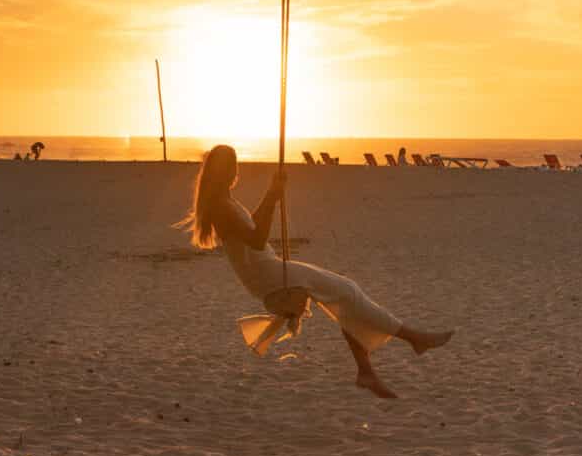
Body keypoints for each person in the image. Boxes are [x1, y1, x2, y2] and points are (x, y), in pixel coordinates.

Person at [180, 145, 452, 400]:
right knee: (346, 291)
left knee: (344, 294)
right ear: (222, 171)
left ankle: (368, 370)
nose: (234, 171)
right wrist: (272, 197)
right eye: (230, 165)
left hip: (267, 269)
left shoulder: (224, 202)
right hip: (267, 273)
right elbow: (257, 239)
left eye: (234, 164)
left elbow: (251, 227)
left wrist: (272, 194)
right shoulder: (221, 207)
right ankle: (412, 339)